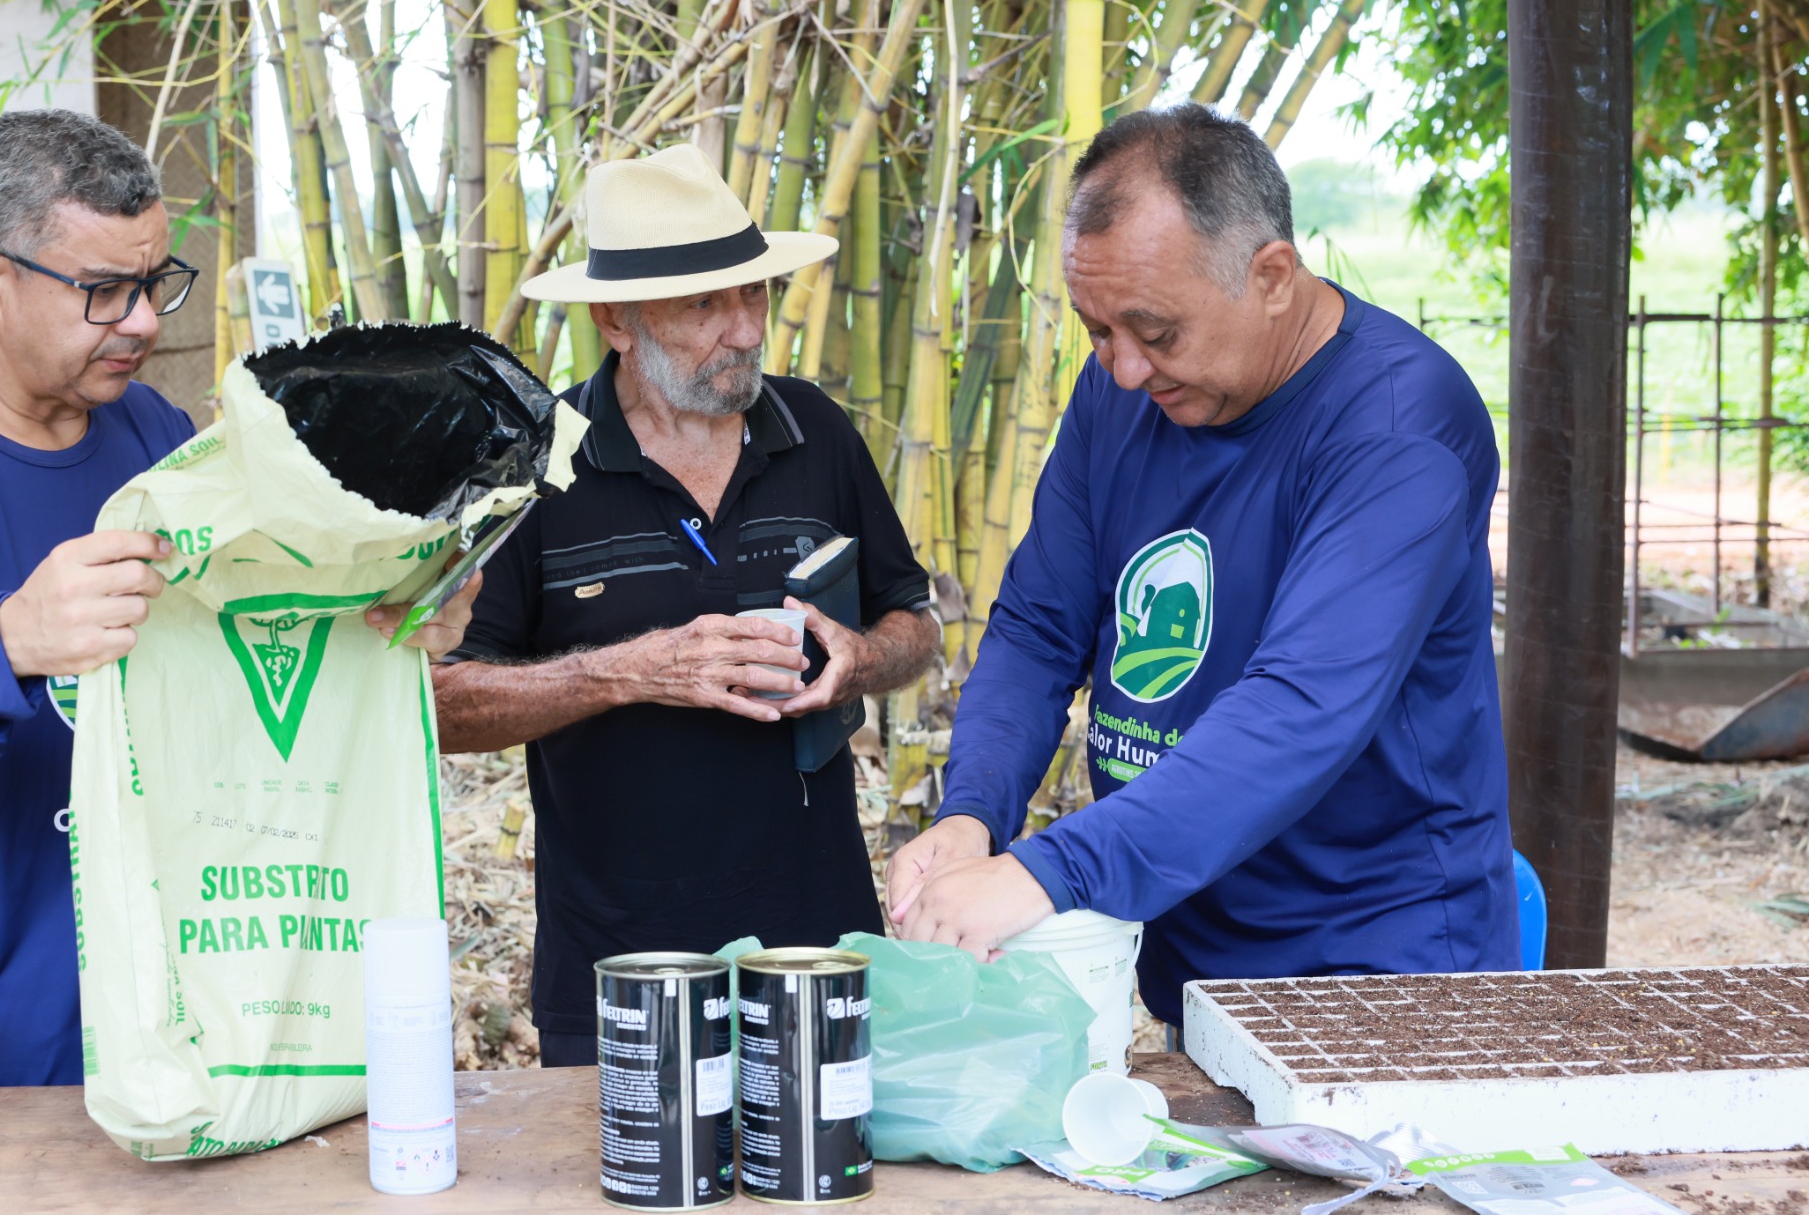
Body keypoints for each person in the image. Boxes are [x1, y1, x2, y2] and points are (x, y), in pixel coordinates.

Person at [0, 110, 473, 1089]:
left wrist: (391, 608)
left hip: (192, 995)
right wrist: (5, 639)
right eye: (104, 291)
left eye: (155, 282)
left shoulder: (153, 435)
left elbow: (249, 628)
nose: (143, 321)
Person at [885, 104, 1518, 1024]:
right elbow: (1037, 626)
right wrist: (973, 815)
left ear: (1270, 276)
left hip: (1377, 958)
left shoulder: (1396, 428)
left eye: (1156, 331)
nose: (1126, 369)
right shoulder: (1123, 386)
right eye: (1097, 331)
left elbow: (1300, 710)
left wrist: (1048, 869)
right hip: (1192, 943)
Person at [435, 143, 941, 1067]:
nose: (745, 330)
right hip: (622, 966)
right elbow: (441, 703)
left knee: (827, 1202)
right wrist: (632, 671)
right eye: (705, 304)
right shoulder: (533, 468)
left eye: (753, 294)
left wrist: (860, 660)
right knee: (638, 1202)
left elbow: (916, 624)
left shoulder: (816, 433)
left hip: (816, 947)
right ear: (617, 322)